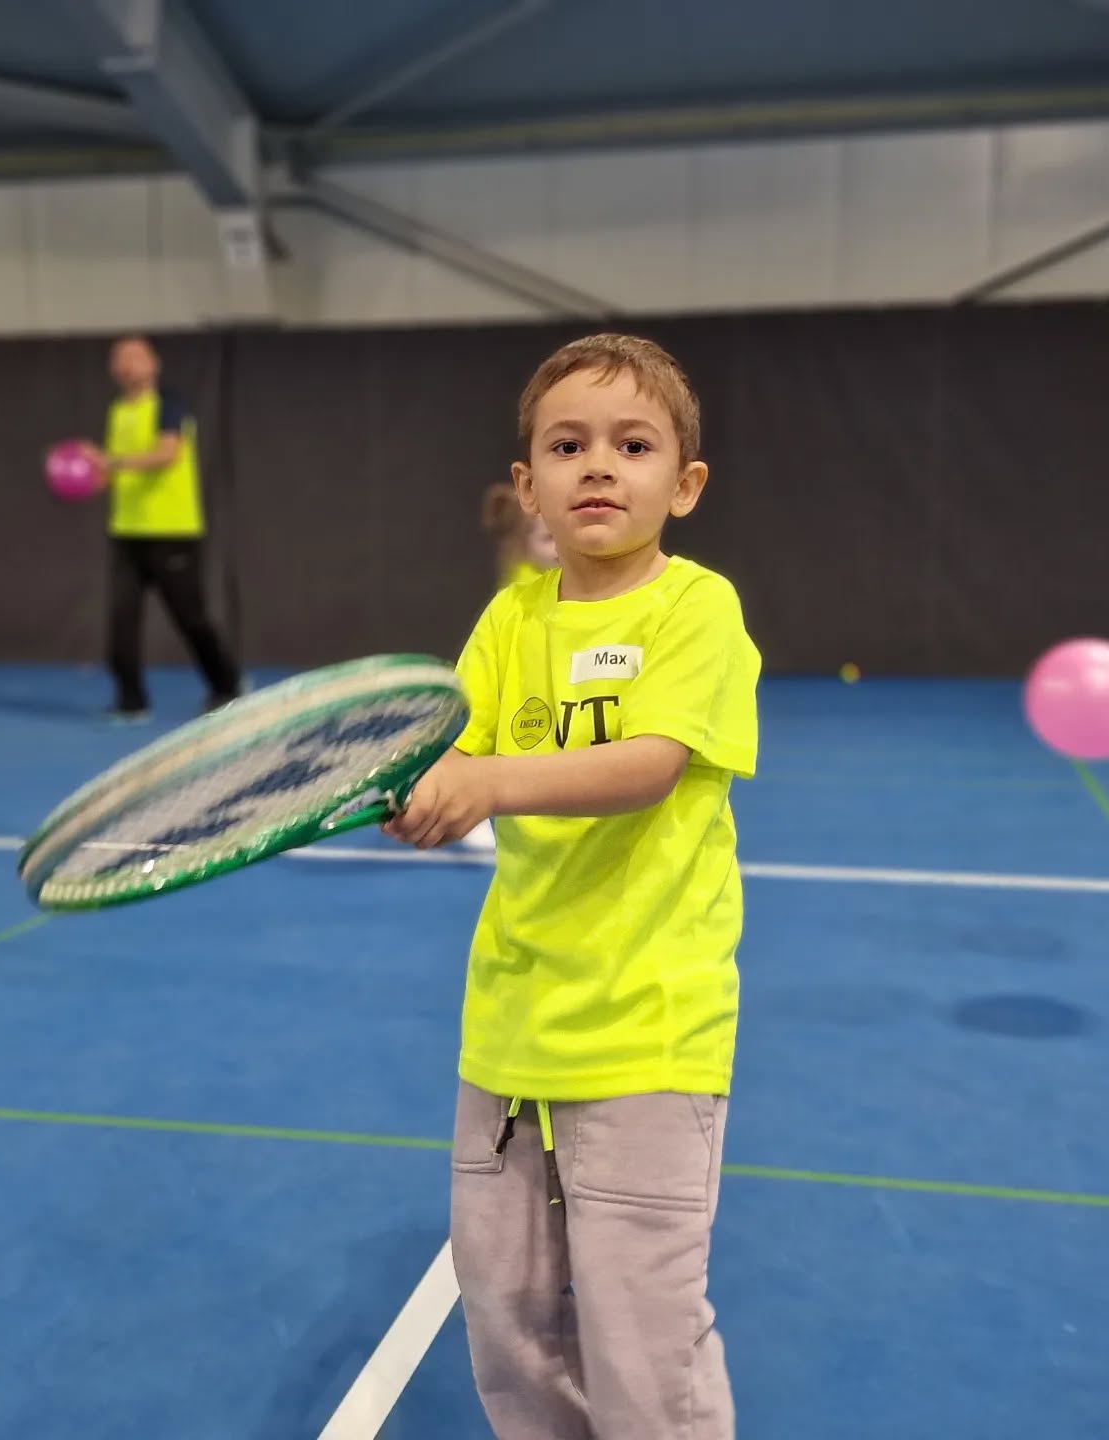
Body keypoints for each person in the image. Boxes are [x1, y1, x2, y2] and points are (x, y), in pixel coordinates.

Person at [386, 334, 760, 1438]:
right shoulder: (510, 623)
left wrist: (486, 780)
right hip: (509, 1036)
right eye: (568, 444)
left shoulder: (695, 612)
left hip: (650, 1037)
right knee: (510, 1332)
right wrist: (420, 788)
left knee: (644, 1349)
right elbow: (449, 752)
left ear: (683, 484)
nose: (599, 465)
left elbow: (647, 765)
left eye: (632, 444)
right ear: (527, 487)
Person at [82, 335, 241, 721]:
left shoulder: (170, 405)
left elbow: (166, 453)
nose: (127, 363)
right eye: (119, 357)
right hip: (127, 533)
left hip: (173, 532)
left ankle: (227, 686)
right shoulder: (118, 410)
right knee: (121, 621)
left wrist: (111, 463)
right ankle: (131, 701)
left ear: (153, 364)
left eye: (136, 356)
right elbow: (114, 470)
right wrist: (86, 473)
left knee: (191, 618)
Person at [459, 488, 561, 855]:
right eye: (547, 539)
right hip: (514, 682)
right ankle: (470, 811)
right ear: (524, 542)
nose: (558, 548)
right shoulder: (522, 588)